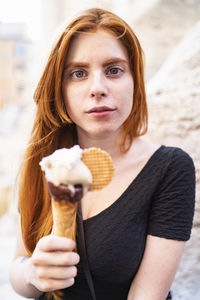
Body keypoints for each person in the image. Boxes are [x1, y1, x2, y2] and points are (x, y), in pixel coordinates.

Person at [9, 7, 195, 300]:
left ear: (134, 80)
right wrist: (33, 272)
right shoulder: (44, 161)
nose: (97, 88)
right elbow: (19, 270)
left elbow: (147, 295)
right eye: (78, 73)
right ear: (59, 88)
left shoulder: (170, 168)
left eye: (114, 70)